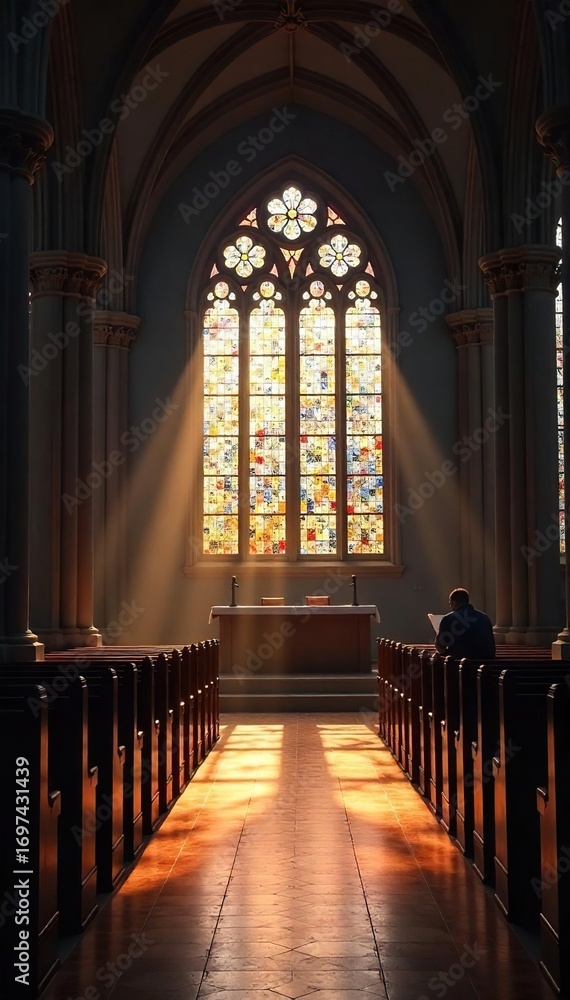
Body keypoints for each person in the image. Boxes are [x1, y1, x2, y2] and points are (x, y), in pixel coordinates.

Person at [434, 588, 495, 660]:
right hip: (485, 662)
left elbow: (440, 645)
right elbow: (491, 645)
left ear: (453, 603)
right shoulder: (484, 618)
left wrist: (446, 653)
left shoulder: (448, 619)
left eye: (450, 603)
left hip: (457, 663)